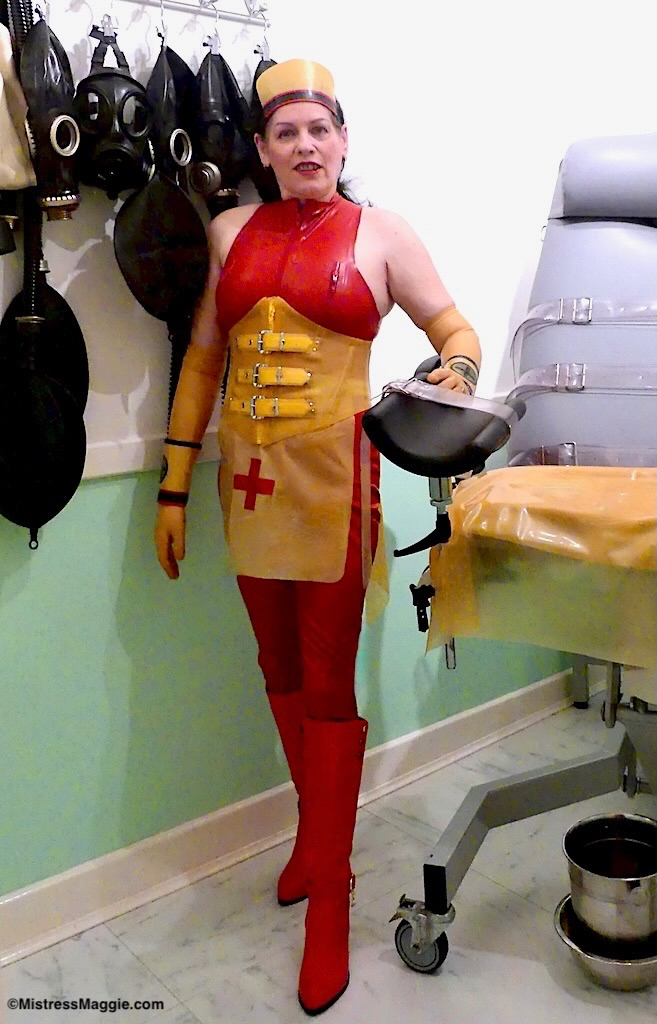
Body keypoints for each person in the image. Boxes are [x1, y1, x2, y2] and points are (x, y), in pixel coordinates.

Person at [155, 58, 481, 1016]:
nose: (305, 146)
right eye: (285, 132)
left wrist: (455, 376)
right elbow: (203, 357)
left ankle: (331, 897)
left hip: (337, 486)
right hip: (246, 484)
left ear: (342, 140)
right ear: (261, 148)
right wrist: (172, 483)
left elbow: (455, 330)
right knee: (276, 668)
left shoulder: (383, 233)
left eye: (319, 129)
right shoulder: (229, 232)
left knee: (328, 684)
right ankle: (311, 838)